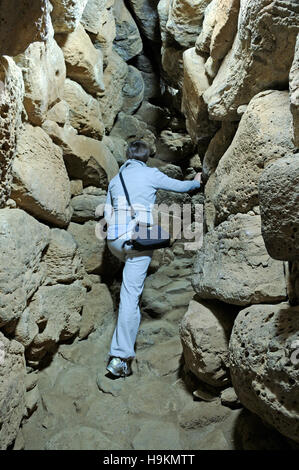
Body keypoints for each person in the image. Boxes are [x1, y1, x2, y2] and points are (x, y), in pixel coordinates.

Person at [103, 140, 201, 378]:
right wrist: (196, 182)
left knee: (130, 290)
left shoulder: (116, 180)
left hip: (114, 241)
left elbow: (107, 213)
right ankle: (119, 358)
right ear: (146, 157)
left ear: (127, 155)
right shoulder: (150, 173)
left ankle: (128, 326)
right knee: (130, 295)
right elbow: (181, 187)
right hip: (136, 239)